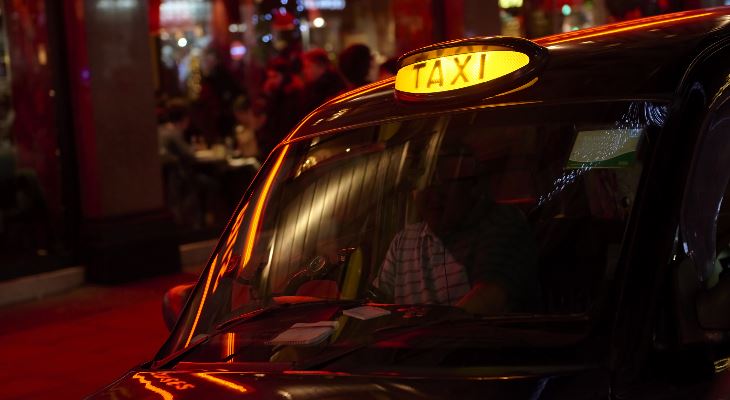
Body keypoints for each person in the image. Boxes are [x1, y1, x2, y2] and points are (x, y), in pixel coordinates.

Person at [372, 141, 540, 314]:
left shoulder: (500, 222)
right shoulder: (403, 242)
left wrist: (426, 330)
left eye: (446, 182)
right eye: (424, 184)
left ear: (470, 185)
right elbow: (378, 302)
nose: (434, 194)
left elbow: (492, 295)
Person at [259, 58, 305, 156]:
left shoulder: (291, 94)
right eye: (269, 77)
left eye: (275, 76)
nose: (272, 81)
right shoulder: (276, 93)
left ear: (284, 76)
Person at [300, 48, 346, 114]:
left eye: (308, 66)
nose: (305, 71)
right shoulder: (315, 87)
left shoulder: (328, 89)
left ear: (320, 66)